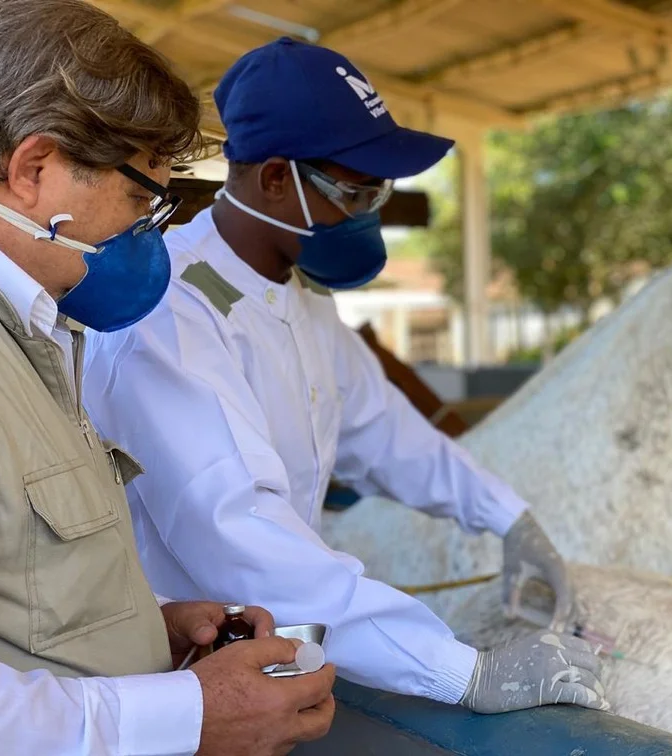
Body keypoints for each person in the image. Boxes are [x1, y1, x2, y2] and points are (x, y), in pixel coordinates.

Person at [82, 37, 608, 714]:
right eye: (355, 192)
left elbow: (386, 432)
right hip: (174, 679)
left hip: (265, 650)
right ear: (275, 179)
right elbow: (244, 534)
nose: (368, 216)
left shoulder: (300, 298)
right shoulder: (170, 311)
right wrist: (463, 671)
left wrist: (507, 518)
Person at [0, 2, 335, 753]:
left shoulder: (33, 335)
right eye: (142, 199)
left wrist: (141, 628)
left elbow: (11, 598)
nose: (151, 232)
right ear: (34, 169)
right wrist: (184, 716)